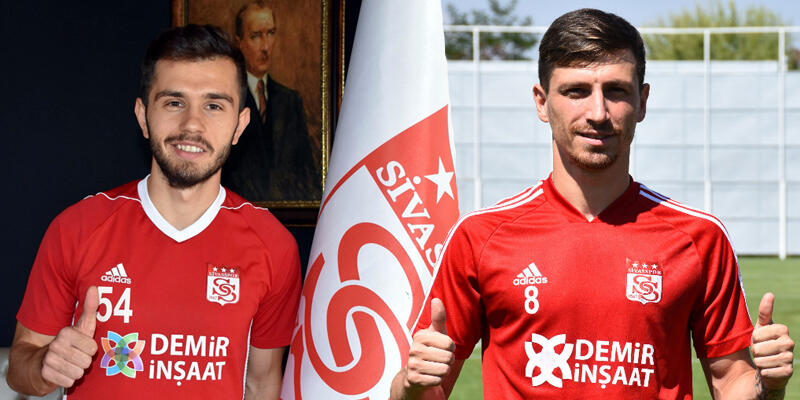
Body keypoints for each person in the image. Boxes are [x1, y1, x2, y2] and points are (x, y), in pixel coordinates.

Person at [390, 8, 794, 399]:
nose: (598, 112)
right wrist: (411, 386)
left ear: (642, 101)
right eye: (576, 91)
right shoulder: (480, 236)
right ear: (541, 101)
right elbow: (422, 390)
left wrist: (768, 386)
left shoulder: (699, 237)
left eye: (616, 91)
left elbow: (731, 381)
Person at [6, 25, 301, 399]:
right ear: (143, 116)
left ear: (239, 125)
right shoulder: (77, 228)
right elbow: (19, 370)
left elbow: (262, 384)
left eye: (213, 105)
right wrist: (44, 364)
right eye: (174, 102)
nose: (191, 124)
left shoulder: (273, 246)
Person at [222, 0, 321, 202]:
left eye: (271, 33)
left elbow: (305, 171)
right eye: (255, 36)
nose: (266, 46)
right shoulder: (226, 99)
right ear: (239, 42)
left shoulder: (290, 101)